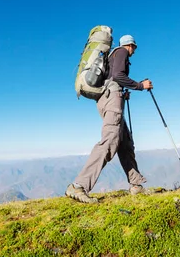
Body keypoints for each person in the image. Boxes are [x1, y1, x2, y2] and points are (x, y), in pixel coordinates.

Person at [66, 34, 154, 203]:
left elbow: (113, 78)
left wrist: (121, 92)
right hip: (112, 100)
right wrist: (140, 86)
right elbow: (119, 76)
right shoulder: (121, 52)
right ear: (130, 45)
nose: (134, 51)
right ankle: (79, 186)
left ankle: (135, 184)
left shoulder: (111, 56)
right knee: (110, 142)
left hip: (109, 98)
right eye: (134, 47)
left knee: (125, 143)